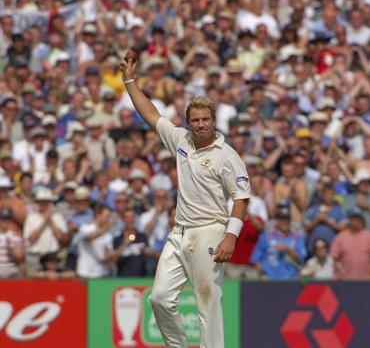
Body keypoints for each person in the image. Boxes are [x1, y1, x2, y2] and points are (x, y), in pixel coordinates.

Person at [121, 52, 250, 348]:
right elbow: (151, 115)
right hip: (179, 232)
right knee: (160, 299)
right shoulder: (181, 141)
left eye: (206, 119)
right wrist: (129, 81)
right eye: (196, 120)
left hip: (210, 231)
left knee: (208, 303)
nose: (201, 125)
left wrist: (231, 238)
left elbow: (240, 199)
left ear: (214, 121)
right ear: (189, 122)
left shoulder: (227, 156)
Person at [250, 202, 306, 280]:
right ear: (277, 221)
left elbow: (301, 260)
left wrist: (288, 250)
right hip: (269, 279)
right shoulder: (266, 236)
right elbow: (256, 259)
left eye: (287, 219)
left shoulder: (297, 238)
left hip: (291, 280)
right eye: (281, 219)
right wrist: (262, 274)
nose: (284, 222)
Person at [23, 188, 68, 274]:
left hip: (52, 259)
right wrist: (45, 221)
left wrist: (50, 220)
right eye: (41, 201)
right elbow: (31, 239)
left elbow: (61, 238)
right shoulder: (31, 218)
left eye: (46, 201)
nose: (44, 204)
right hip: (35, 258)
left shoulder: (58, 217)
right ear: (38, 203)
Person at [330, 209, 370, 280]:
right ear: (349, 220)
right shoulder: (340, 237)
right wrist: (338, 274)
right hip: (345, 281)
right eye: (355, 218)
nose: (358, 221)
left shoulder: (369, 236)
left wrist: (369, 274)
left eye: (359, 218)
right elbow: (335, 259)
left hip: (365, 281)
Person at [75, 206, 116, 278]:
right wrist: (106, 227)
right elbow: (91, 237)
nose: (108, 219)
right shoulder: (85, 228)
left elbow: (109, 252)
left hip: (102, 273)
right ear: (98, 215)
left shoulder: (108, 234)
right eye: (106, 216)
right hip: (85, 273)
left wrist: (109, 256)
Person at [0, 209, 24, 278]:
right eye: (3, 219)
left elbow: (18, 259)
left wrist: (10, 248)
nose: (5, 222)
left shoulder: (14, 236)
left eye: (7, 219)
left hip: (11, 272)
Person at [111, 208, 150, 276]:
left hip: (141, 278)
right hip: (123, 278)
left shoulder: (142, 236)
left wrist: (146, 251)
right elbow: (113, 259)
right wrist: (124, 244)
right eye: (127, 217)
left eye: (132, 217)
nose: (130, 220)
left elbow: (149, 256)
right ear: (123, 219)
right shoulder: (118, 238)